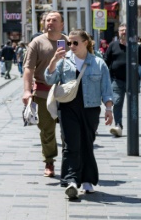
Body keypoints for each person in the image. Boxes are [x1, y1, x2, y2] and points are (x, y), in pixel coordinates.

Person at [44, 29, 113, 198]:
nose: (71, 46)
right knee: (70, 145)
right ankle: (71, 181)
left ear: (86, 43)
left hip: (90, 109)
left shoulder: (98, 63)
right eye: (69, 43)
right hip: (68, 108)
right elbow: (49, 79)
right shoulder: (63, 60)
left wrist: (109, 109)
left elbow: (106, 89)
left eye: (75, 42)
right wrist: (53, 61)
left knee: (87, 144)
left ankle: (88, 180)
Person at [22, 11, 66, 178]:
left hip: (65, 94)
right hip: (42, 93)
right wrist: (27, 90)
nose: (50, 23)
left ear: (61, 24)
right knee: (47, 131)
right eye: (48, 20)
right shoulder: (37, 43)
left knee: (68, 131)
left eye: (54, 20)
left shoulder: (68, 42)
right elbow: (28, 69)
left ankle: (69, 162)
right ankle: (49, 161)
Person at [104, 23, 131, 137]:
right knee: (118, 101)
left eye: (125, 30)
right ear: (118, 32)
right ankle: (118, 126)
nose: (123, 32)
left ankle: (134, 126)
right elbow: (106, 61)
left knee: (134, 104)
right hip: (117, 80)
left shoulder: (135, 46)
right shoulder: (113, 45)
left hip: (133, 81)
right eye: (121, 30)